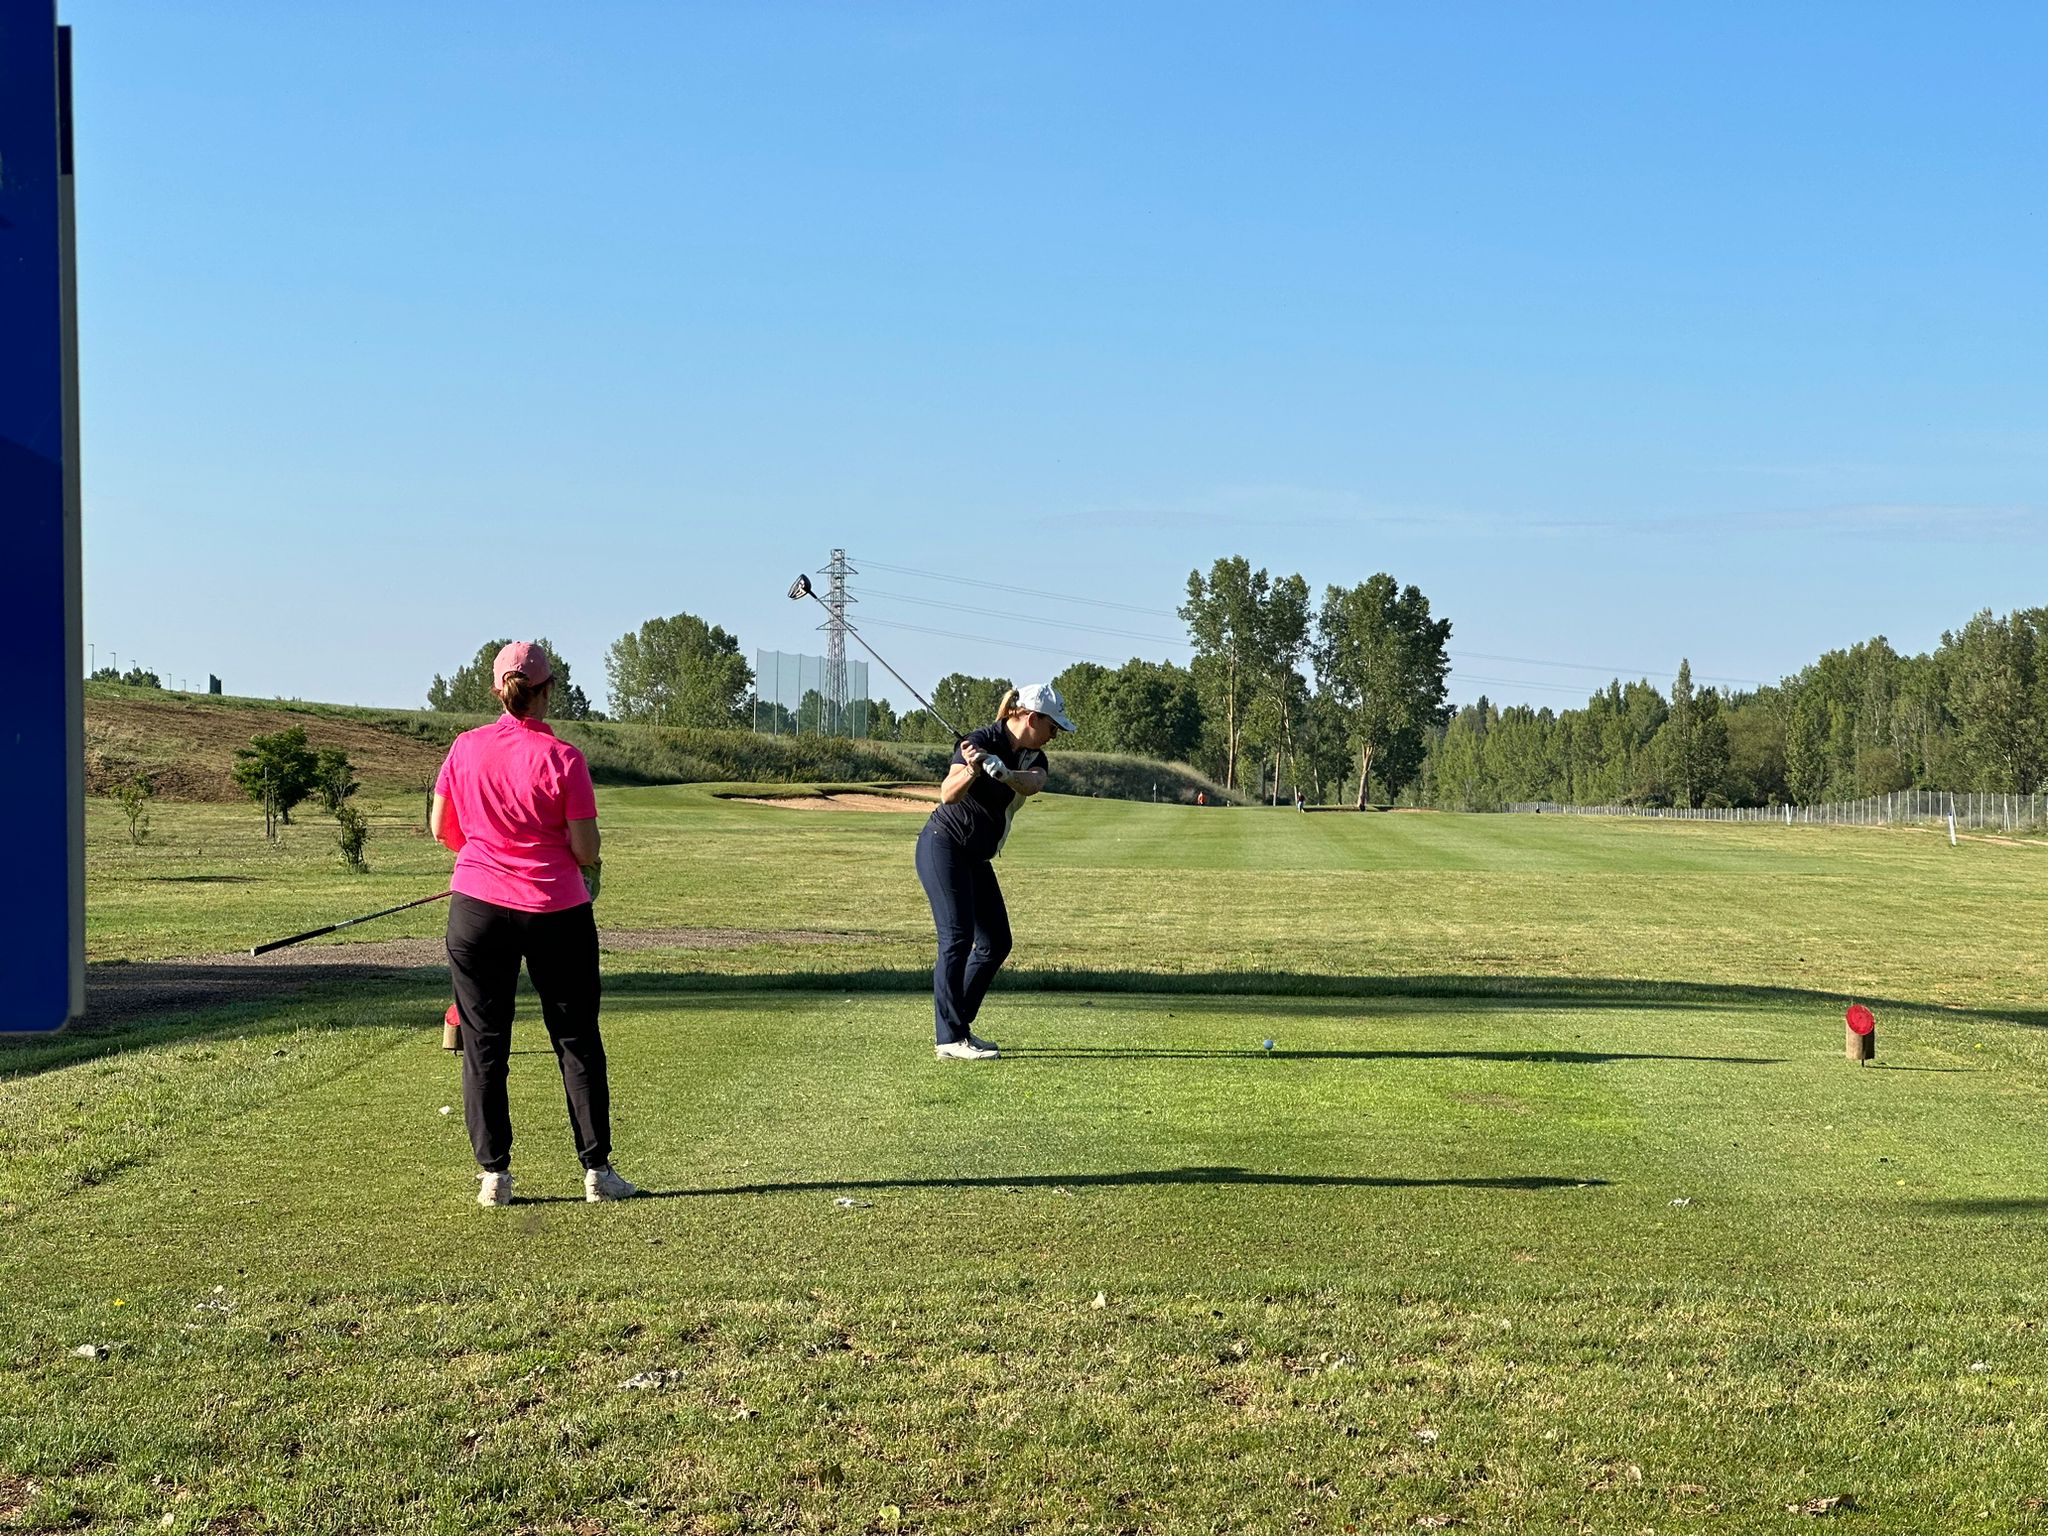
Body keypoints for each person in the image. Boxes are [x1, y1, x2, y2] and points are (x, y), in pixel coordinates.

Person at [429, 641, 637, 1206]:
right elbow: (586, 848)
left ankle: (494, 1176)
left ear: (498, 689)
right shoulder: (564, 758)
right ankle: (598, 1172)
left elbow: (442, 827)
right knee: (576, 1039)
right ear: (548, 691)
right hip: (556, 911)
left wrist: (485, 853)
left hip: (476, 908)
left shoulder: (465, 747)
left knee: (485, 1042)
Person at [913, 683, 1075, 1060]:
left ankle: (959, 1028)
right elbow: (948, 793)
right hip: (944, 845)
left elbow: (1033, 783)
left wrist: (1004, 774)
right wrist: (972, 769)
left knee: (996, 942)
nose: (1054, 736)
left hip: (976, 856)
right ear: (1031, 718)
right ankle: (949, 1039)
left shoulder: (1033, 755)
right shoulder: (980, 740)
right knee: (957, 937)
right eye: (1052, 727)